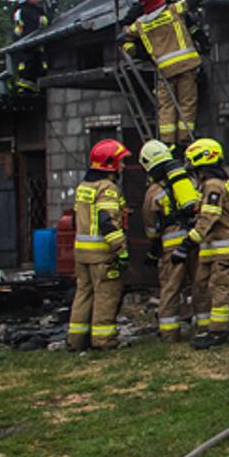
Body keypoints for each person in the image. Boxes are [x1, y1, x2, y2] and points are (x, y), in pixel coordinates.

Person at [118, 0, 229, 146]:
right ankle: (185, 139)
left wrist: (138, 52)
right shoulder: (173, 11)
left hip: (164, 71)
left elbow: (122, 38)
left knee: (166, 107)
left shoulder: (139, 24)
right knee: (187, 103)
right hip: (186, 66)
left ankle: (168, 143)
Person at [178, 137, 229, 349]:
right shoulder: (208, 185)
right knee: (203, 284)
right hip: (212, 245)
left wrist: (187, 243)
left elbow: (210, 217)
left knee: (218, 286)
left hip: (224, 245)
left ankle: (218, 332)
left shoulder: (213, 185)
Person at [68, 139, 132, 351]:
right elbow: (106, 221)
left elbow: (76, 220)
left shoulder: (83, 187)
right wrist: (121, 251)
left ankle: (76, 340)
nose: (123, 166)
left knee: (83, 294)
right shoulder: (107, 188)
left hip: (82, 254)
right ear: (110, 164)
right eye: (120, 162)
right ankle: (104, 341)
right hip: (102, 256)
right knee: (106, 295)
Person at [138, 140, 202, 342]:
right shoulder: (187, 181)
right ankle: (206, 327)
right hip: (194, 239)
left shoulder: (153, 191)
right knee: (200, 284)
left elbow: (150, 225)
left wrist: (154, 246)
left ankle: (169, 333)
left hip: (172, 246)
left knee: (170, 288)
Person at [9, 0, 53, 93]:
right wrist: (51, 7)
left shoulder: (27, 10)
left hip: (29, 50)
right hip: (30, 49)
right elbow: (44, 23)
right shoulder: (26, 11)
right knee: (34, 68)